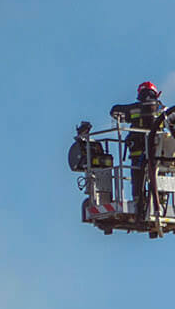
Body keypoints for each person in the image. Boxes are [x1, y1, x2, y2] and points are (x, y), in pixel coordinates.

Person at [110, 81, 169, 222]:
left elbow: (114, 110)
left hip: (138, 152)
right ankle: (161, 202)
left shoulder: (133, 109)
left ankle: (139, 204)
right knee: (160, 176)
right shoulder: (163, 109)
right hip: (158, 153)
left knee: (138, 179)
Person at [68, 121, 114, 213]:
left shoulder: (93, 143)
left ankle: (105, 197)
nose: (87, 132)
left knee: (104, 178)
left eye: (87, 130)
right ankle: (96, 197)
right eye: (85, 130)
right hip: (93, 172)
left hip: (100, 172)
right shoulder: (81, 145)